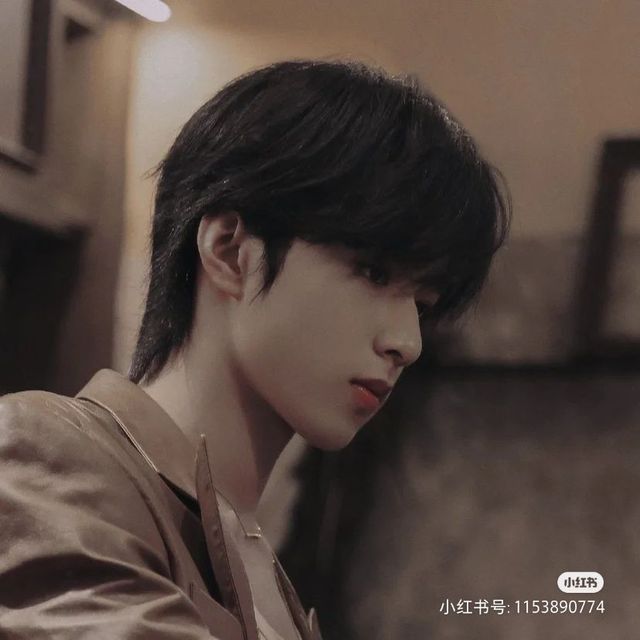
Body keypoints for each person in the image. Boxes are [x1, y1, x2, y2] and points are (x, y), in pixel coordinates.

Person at [0, 59, 510, 639]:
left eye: (422, 303)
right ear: (229, 251)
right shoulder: (42, 455)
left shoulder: (259, 564)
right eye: (373, 272)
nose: (407, 343)